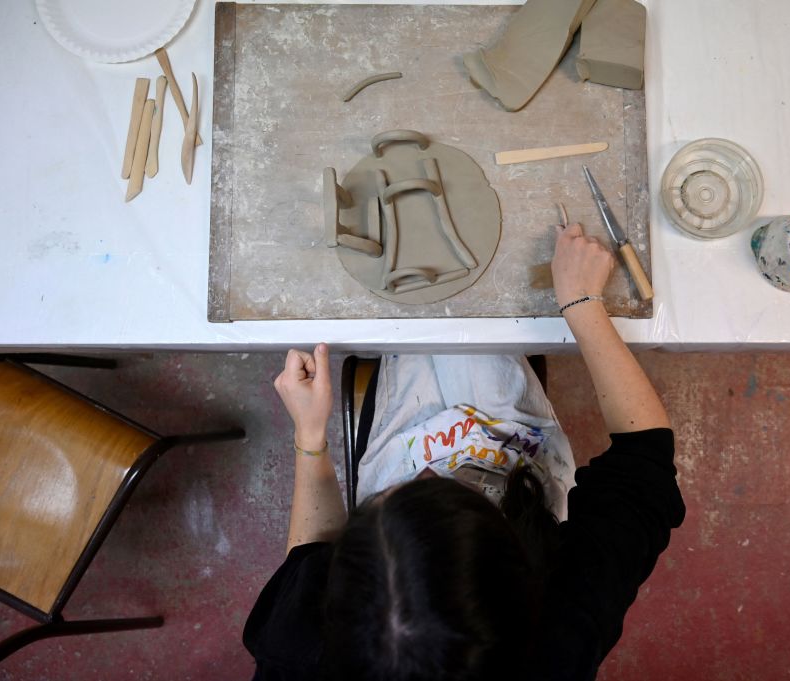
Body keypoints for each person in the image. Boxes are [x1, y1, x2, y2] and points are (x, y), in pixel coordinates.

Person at [243, 223, 686, 681]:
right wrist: (582, 304)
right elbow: (645, 457)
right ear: (523, 563)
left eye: (392, 499)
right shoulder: (562, 634)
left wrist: (310, 440)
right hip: (523, 460)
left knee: (422, 304)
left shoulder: (292, 655)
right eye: (458, 494)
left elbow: (308, 556)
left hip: (411, 447)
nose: (431, 473)